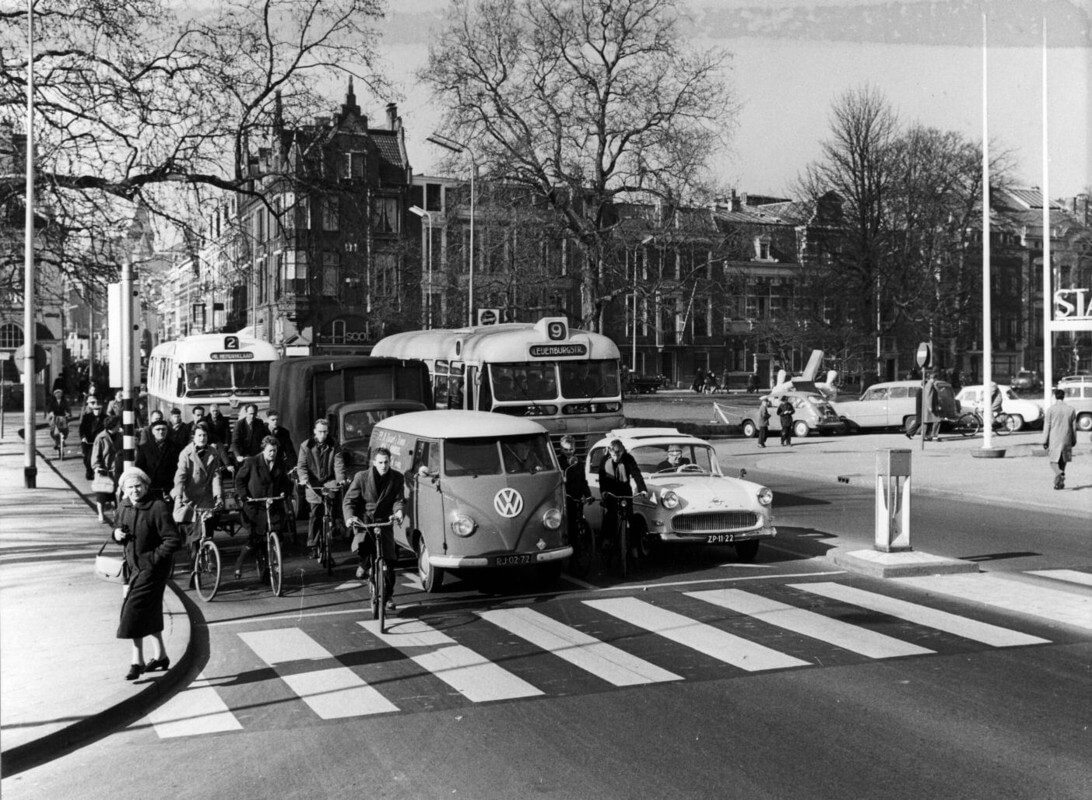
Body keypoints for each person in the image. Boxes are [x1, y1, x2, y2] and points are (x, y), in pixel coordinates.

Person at [112, 467, 180, 680]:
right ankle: (160, 656)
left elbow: (173, 540)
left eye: (138, 486)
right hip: (133, 568)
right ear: (124, 489)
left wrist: (153, 560)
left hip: (152, 570)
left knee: (133, 612)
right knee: (148, 611)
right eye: (130, 487)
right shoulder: (123, 506)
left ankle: (137, 661)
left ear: (146, 486)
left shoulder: (157, 507)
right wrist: (116, 533)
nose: (135, 490)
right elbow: (117, 528)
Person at [344, 447, 406, 611]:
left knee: (389, 561)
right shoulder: (361, 477)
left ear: (390, 461)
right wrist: (350, 517)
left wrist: (398, 512)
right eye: (380, 462)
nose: (384, 466)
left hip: (385, 521)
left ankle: (388, 596)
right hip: (365, 520)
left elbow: (398, 499)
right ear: (374, 462)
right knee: (364, 545)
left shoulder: (397, 478)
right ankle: (364, 565)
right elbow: (349, 500)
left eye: (386, 462)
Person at [234, 435, 292, 578]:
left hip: (273, 504)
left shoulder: (280, 463)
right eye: (270, 451)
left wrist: (285, 491)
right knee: (255, 539)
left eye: (275, 451)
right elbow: (240, 480)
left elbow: (286, 481)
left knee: (278, 534)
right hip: (255, 506)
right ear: (263, 450)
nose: (272, 454)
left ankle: (270, 564)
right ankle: (239, 564)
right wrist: (244, 495)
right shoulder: (252, 462)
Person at [297, 418, 347, 561]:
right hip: (312, 483)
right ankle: (313, 545)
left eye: (325, 432)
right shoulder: (305, 446)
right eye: (320, 432)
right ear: (314, 432)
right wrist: (304, 479)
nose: (323, 435)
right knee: (314, 514)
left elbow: (339, 464)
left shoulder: (334, 445)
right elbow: (302, 466)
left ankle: (328, 543)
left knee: (330, 511)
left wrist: (341, 479)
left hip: (329, 481)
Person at [172, 425, 224, 559]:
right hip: (190, 497)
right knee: (194, 533)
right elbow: (181, 475)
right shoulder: (186, 453)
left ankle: (208, 556)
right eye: (199, 435)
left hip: (206, 497)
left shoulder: (213, 452)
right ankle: (194, 562)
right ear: (193, 437)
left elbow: (216, 475)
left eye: (204, 435)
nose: (202, 438)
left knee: (207, 529)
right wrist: (178, 495)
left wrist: (218, 495)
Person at [597, 439, 647, 552]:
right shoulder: (605, 460)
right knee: (610, 515)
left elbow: (636, 474)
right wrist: (604, 491)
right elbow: (602, 478)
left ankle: (633, 546)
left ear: (623, 451)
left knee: (631, 517)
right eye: (614, 454)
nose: (616, 457)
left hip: (625, 491)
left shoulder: (628, 458)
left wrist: (642, 489)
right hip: (610, 491)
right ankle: (607, 539)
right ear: (610, 452)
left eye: (619, 454)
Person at [134, 418, 181, 503]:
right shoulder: (145, 448)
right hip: (152, 487)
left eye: (163, 429)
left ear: (167, 431)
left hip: (169, 487)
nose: (161, 432)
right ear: (152, 431)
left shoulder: (176, 447)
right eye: (158, 429)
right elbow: (139, 467)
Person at [1042, 388, 1077, 490]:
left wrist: (1045, 441)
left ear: (1055, 397)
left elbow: (1047, 427)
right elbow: (1074, 427)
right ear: (1064, 397)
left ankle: (1059, 473)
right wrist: (1074, 440)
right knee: (1063, 461)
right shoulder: (1071, 409)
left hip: (1055, 439)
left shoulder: (1051, 410)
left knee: (1053, 462)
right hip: (1067, 438)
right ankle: (1059, 484)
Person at [91, 415, 123, 523]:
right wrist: (96, 467)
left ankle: (116, 516)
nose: (120, 426)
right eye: (118, 424)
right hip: (104, 470)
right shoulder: (101, 437)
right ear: (113, 425)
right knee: (102, 494)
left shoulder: (120, 436)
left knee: (115, 494)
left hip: (116, 469)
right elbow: (96, 453)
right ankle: (101, 514)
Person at [79, 395, 107, 480]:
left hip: (99, 441)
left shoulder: (105, 418)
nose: (97, 411)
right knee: (87, 458)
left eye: (99, 409)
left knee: (100, 457)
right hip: (89, 441)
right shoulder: (86, 417)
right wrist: (83, 437)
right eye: (95, 409)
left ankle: (98, 472)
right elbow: (82, 429)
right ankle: (89, 471)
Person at [906, 373, 939, 441]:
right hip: (921, 409)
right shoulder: (921, 391)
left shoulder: (920, 391)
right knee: (920, 422)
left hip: (921, 409)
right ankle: (910, 433)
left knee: (923, 422)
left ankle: (914, 434)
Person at [46, 388, 71, 457]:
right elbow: (49, 409)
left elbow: (68, 409)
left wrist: (68, 414)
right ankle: (56, 442)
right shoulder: (52, 402)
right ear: (54, 395)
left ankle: (62, 440)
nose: (58, 395)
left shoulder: (64, 402)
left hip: (62, 418)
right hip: (55, 418)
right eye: (56, 394)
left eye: (59, 393)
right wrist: (51, 413)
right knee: (53, 431)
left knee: (65, 430)